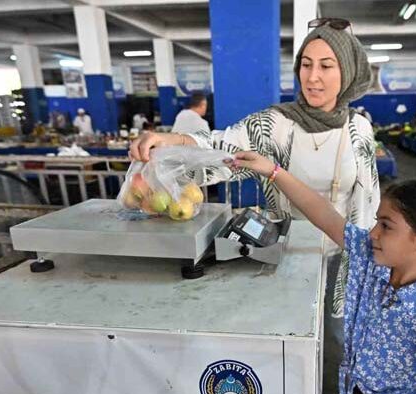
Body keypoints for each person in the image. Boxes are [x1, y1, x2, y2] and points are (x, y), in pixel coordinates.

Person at [130, 18, 379, 318]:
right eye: (306, 65)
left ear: (347, 72)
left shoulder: (359, 129)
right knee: (292, 336)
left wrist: (373, 258)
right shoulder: (275, 125)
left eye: (326, 66)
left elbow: (369, 199)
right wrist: (171, 140)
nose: (312, 77)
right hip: (286, 254)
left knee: (336, 341)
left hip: (343, 259)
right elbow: (222, 144)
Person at [231, 151, 416, 394]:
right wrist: (273, 171)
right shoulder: (375, 261)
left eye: (386, 225)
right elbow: (324, 214)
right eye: (376, 222)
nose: (373, 233)